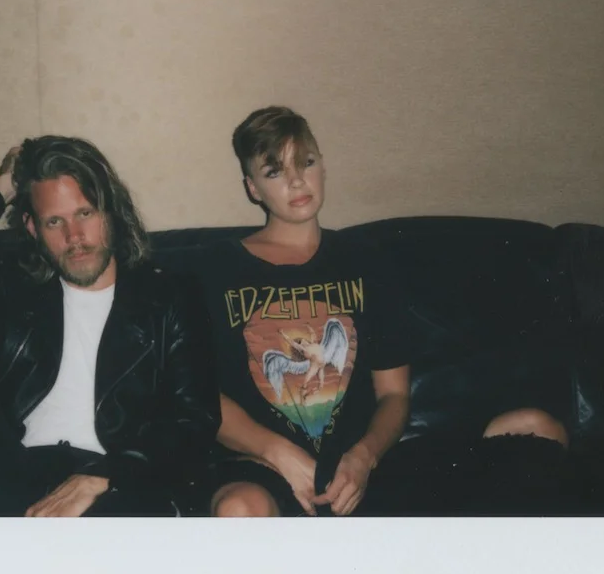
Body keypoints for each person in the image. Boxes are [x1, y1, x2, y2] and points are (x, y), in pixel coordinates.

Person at [177, 106, 569, 517]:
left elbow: (394, 395)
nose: (296, 181)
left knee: (538, 428)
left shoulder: (366, 260)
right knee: (240, 509)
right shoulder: (214, 268)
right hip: (266, 470)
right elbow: (199, 397)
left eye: (305, 163)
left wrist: (364, 458)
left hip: (365, 472)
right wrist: (277, 453)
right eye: (274, 172)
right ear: (253, 188)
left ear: (323, 167)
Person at [0, 135, 221, 517]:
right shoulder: (11, 289)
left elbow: (195, 421)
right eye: (54, 221)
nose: (74, 237)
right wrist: (3, 187)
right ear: (32, 228)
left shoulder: (168, 298)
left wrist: (105, 475)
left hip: (112, 477)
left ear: (111, 212)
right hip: (12, 468)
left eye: (85, 213)